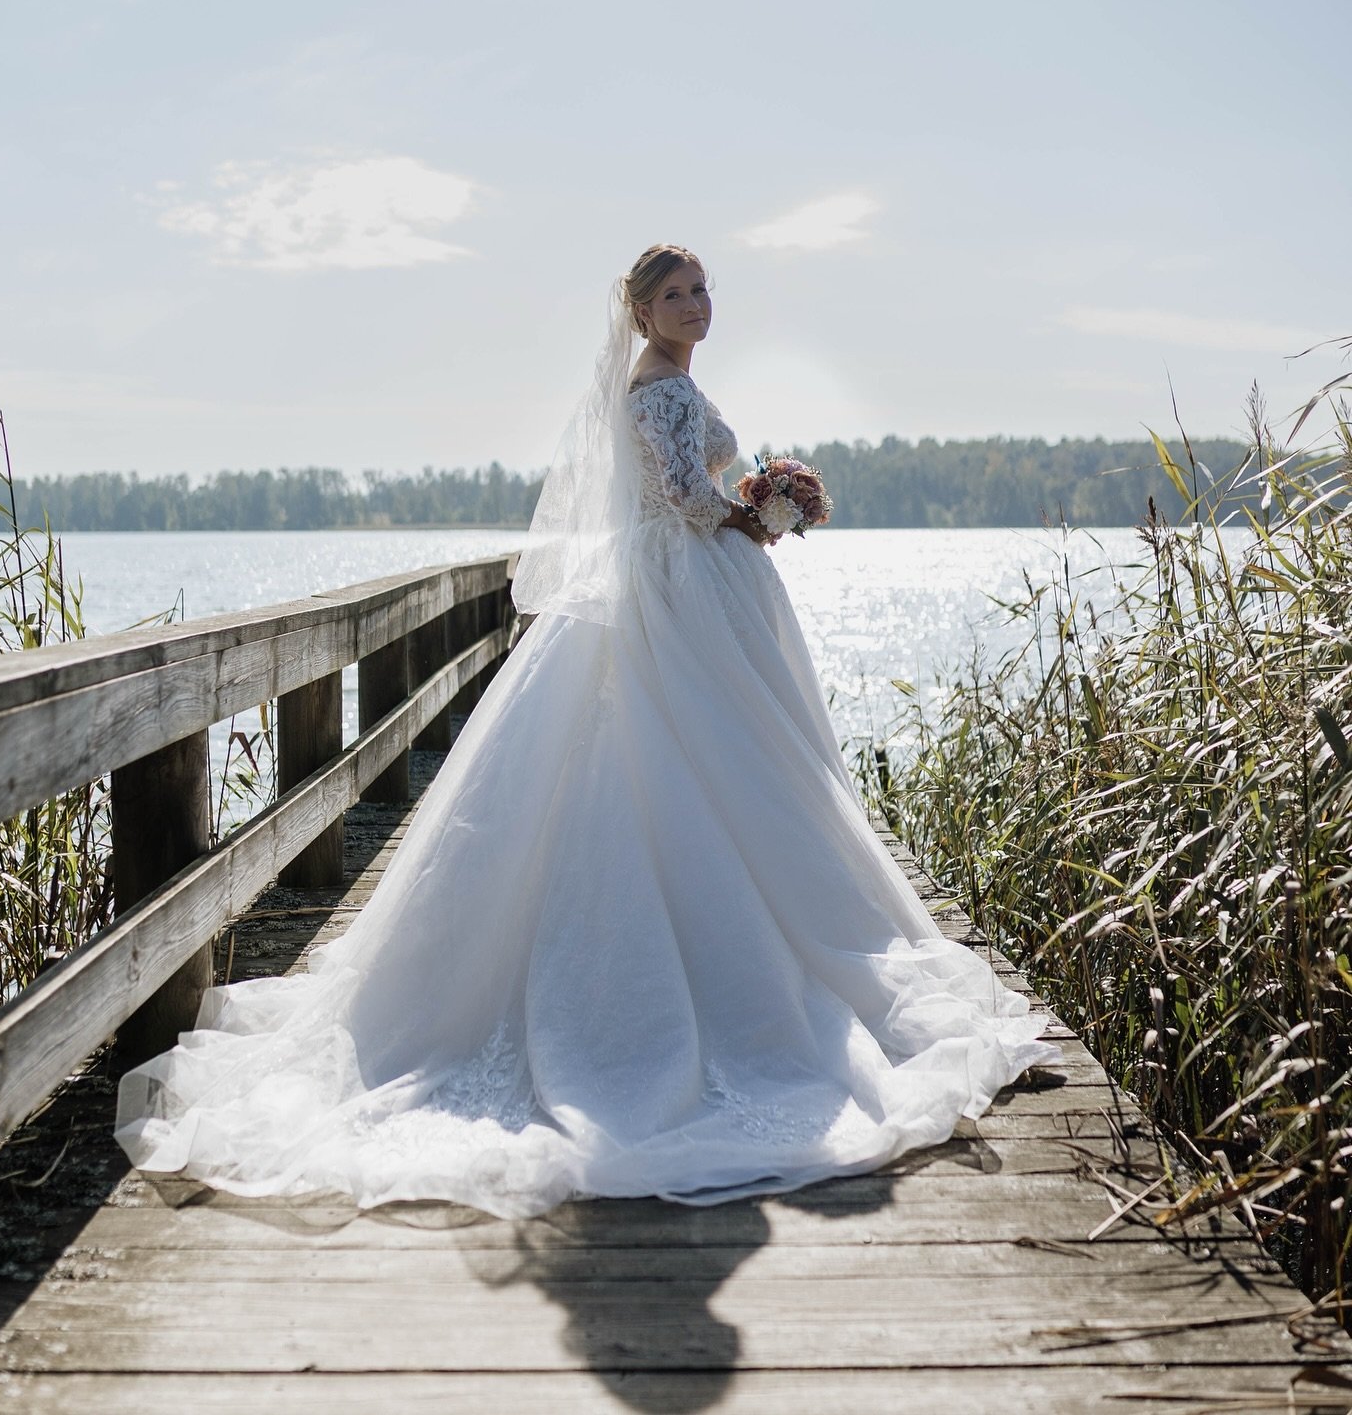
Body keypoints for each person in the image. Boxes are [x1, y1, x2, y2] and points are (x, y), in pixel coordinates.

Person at [115, 243, 1061, 1218]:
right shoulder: (653, 390)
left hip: (691, 588)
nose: (695, 306)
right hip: (676, 591)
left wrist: (763, 500)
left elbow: (690, 487)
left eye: (701, 291)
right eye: (673, 296)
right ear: (640, 312)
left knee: (737, 765)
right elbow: (684, 500)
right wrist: (755, 511)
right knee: (689, 760)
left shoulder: (670, 378)